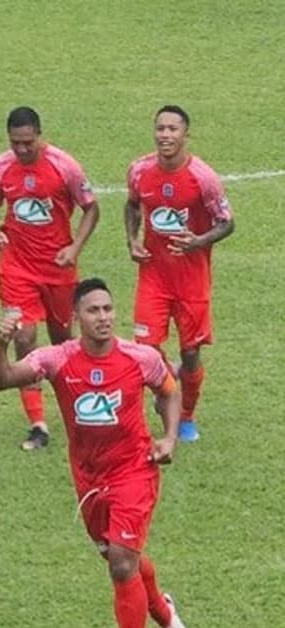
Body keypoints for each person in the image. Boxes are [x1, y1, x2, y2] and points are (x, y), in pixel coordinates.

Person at [0, 277, 192, 628]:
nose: (104, 317)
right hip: (88, 481)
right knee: (122, 559)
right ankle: (165, 614)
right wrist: (0, 345)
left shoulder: (141, 357)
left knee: (121, 563)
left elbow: (170, 392)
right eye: (93, 311)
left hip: (135, 470)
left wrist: (169, 439)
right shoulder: (57, 359)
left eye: (107, 309)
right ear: (75, 317)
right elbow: (3, 379)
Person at [0, 106, 100, 450]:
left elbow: (91, 207)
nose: (21, 150)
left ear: (39, 135)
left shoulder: (65, 166)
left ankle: (77, 410)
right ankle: (38, 424)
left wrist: (75, 247)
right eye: (15, 143)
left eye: (27, 143)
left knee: (64, 342)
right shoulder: (1, 168)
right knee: (24, 338)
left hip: (59, 269)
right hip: (16, 267)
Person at [125, 105, 235, 443]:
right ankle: (169, 391)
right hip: (153, 276)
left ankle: (186, 416)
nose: (165, 135)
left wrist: (198, 242)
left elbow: (227, 222)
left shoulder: (203, 178)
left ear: (186, 135)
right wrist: (132, 240)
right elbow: (131, 205)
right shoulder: (140, 170)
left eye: (173, 129)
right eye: (160, 128)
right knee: (144, 348)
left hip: (191, 281)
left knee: (190, 353)